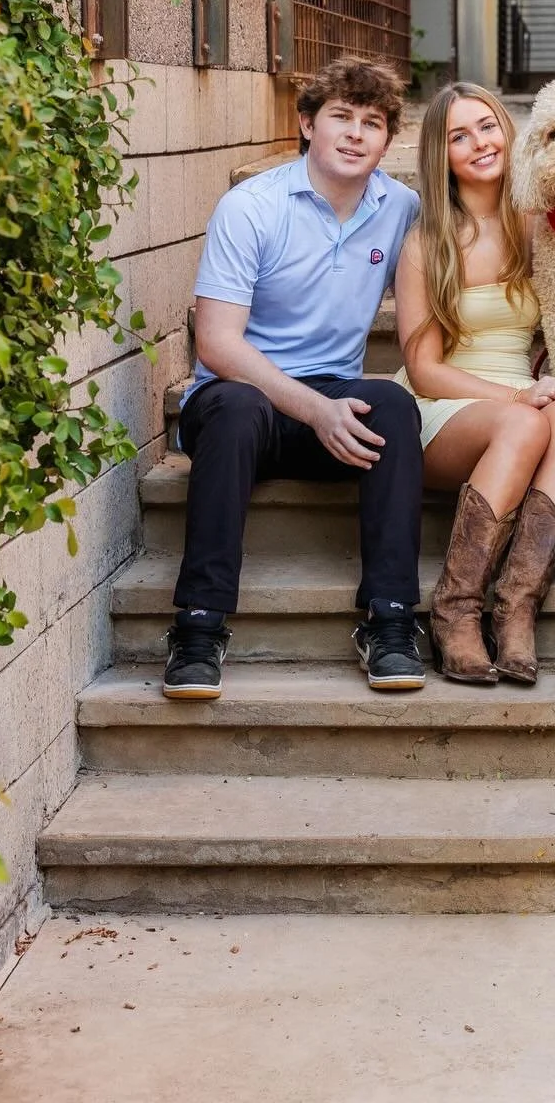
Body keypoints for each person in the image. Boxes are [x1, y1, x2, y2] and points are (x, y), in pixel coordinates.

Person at [164, 57, 427, 701]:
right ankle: (198, 627)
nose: (356, 133)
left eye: (373, 123)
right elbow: (218, 344)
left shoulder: (401, 208)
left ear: (388, 141)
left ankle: (391, 621)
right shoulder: (251, 206)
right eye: (341, 117)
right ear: (307, 124)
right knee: (233, 407)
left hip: (330, 402)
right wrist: (314, 409)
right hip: (238, 400)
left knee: (391, 405)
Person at [395, 83, 555, 685]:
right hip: (442, 404)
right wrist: (516, 396)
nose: (479, 143)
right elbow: (424, 368)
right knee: (528, 419)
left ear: (508, 131)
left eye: (487, 126)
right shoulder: (427, 242)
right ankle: (454, 610)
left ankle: (517, 607)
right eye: (459, 136)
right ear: (440, 155)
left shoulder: (540, 223)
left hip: (520, 399)